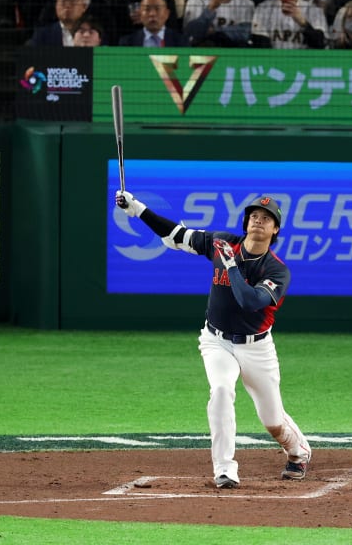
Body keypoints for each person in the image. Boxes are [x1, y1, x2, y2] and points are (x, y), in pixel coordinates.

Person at [113, 191, 312, 488]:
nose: (259, 221)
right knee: (220, 390)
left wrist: (231, 266)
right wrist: (137, 209)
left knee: (272, 420)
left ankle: (298, 452)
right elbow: (176, 235)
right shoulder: (222, 242)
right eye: (254, 216)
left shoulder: (276, 270)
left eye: (266, 218)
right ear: (246, 223)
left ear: (275, 230)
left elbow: (250, 301)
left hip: (257, 347)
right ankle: (225, 469)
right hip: (216, 340)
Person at [250, 0, 328, 49]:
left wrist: (303, 23)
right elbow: (260, 43)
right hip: (273, 60)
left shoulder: (315, 11)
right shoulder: (263, 8)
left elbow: (320, 44)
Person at [183, 0, 256, 47]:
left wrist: (214, 31)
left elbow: (246, 34)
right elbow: (190, 33)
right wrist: (210, 9)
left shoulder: (247, 3)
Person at [118, 0, 188, 45]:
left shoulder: (181, 42)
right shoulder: (127, 43)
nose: (152, 14)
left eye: (157, 9)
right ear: (140, 14)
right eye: (147, 9)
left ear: (167, 14)